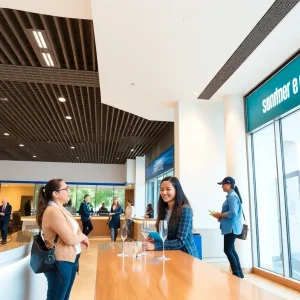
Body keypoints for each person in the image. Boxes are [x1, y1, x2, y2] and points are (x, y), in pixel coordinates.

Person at [36, 179, 89, 300]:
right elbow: (70, 239)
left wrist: (80, 236)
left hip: (70, 259)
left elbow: (77, 230)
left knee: (64, 296)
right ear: (55, 194)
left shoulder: (61, 209)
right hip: (60, 261)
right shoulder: (53, 211)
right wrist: (84, 237)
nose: (69, 191)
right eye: (66, 189)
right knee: (57, 297)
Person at [144, 176, 199, 258]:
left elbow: (180, 242)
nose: (164, 192)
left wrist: (156, 246)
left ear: (177, 190)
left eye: (168, 189)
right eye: (162, 189)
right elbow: (167, 237)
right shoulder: (164, 210)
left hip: (186, 256)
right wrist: (155, 240)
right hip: (170, 255)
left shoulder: (185, 210)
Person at [212, 176, 244, 279]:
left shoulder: (231, 196)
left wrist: (220, 215)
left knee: (228, 250)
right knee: (231, 250)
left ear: (229, 184)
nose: (222, 186)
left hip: (231, 228)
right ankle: (239, 274)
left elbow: (233, 213)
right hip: (231, 227)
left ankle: (236, 274)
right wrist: (220, 217)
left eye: (223, 184)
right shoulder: (231, 196)